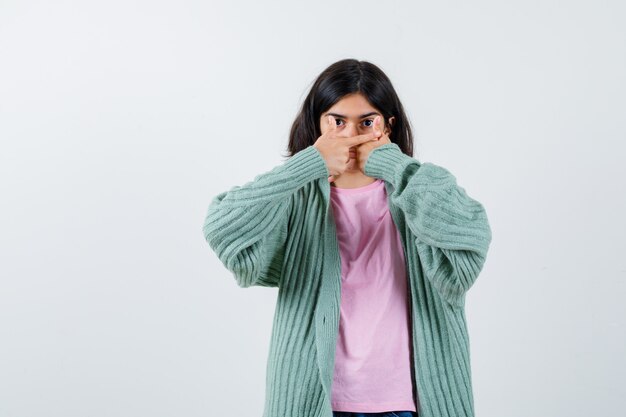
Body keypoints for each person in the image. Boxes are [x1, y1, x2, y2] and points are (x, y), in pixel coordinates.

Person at [202, 58, 493, 417]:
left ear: (388, 125)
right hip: (315, 402)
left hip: (407, 404)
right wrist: (307, 164)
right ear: (318, 125)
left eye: (366, 122)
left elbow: (470, 238)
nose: (351, 135)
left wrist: (393, 165)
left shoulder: (417, 192)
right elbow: (222, 228)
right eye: (337, 121)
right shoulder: (298, 196)